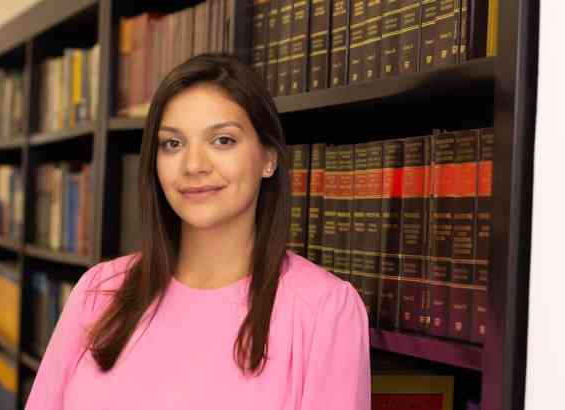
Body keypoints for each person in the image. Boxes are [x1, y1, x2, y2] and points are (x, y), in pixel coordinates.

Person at [25, 53, 370, 410]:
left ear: (268, 158)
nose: (193, 165)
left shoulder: (325, 310)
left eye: (222, 140)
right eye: (173, 144)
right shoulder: (99, 291)